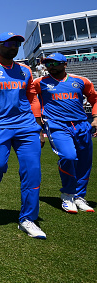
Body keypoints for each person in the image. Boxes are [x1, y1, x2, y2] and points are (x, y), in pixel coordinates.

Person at [0, 31, 45, 238]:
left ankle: (27, 219)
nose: (14, 47)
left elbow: (32, 98)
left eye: (17, 44)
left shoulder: (25, 70)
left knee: (32, 171)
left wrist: (38, 127)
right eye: (9, 43)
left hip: (26, 126)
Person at [32, 52, 97, 213]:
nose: (50, 67)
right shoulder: (39, 82)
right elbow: (27, 97)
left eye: (55, 63)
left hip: (82, 125)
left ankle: (79, 196)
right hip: (57, 125)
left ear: (65, 64)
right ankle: (68, 195)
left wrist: (95, 118)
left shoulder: (81, 81)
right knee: (68, 156)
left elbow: (94, 99)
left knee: (84, 161)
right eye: (48, 64)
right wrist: (37, 126)